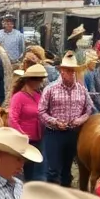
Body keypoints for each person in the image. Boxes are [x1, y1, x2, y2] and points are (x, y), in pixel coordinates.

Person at [37, 52, 91, 186]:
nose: (71, 74)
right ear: (61, 71)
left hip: (73, 132)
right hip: (54, 133)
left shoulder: (82, 90)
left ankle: (66, 193)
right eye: (68, 70)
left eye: (73, 71)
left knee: (67, 169)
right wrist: (55, 121)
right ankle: (52, 197)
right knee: (53, 169)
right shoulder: (50, 89)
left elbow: (89, 108)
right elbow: (41, 111)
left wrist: (80, 120)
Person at [7, 60, 48, 182]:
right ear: (30, 80)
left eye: (40, 80)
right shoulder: (18, 97)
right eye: (37, 79)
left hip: (39, 138)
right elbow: (13, 118)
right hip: (25, 141)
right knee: (25, 169)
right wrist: (21, 134)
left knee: (37, 169)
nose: (40, 82)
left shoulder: (38, 95)